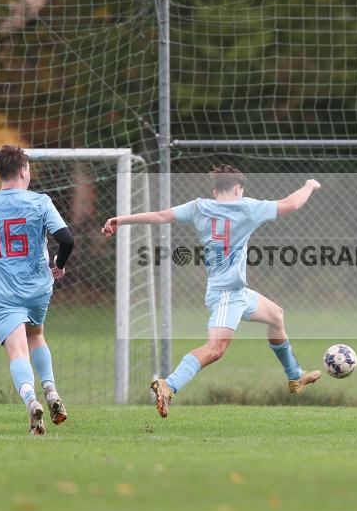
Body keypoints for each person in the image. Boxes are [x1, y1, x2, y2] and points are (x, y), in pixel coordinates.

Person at [102, 165, 321, 418]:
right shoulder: (248, 207)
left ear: (216, 192)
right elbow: (292, 204)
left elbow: (161, 216)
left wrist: (122, 219)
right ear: (239, 188)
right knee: (215, 349)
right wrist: (309, 185)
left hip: (236, 291)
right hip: (227, 294)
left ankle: (295, 376)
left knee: (276, 315)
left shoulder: (199, 207)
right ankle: (168, 385)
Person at [0, 146, 74, 435]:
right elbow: (66, 239)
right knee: (36, 335)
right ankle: (50, 389)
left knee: (17, 352)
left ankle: (31, 400)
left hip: (1, 292)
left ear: (1, 172)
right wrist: (59, 265)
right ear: (23, 170)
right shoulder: (41, 202)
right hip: (37, 289)